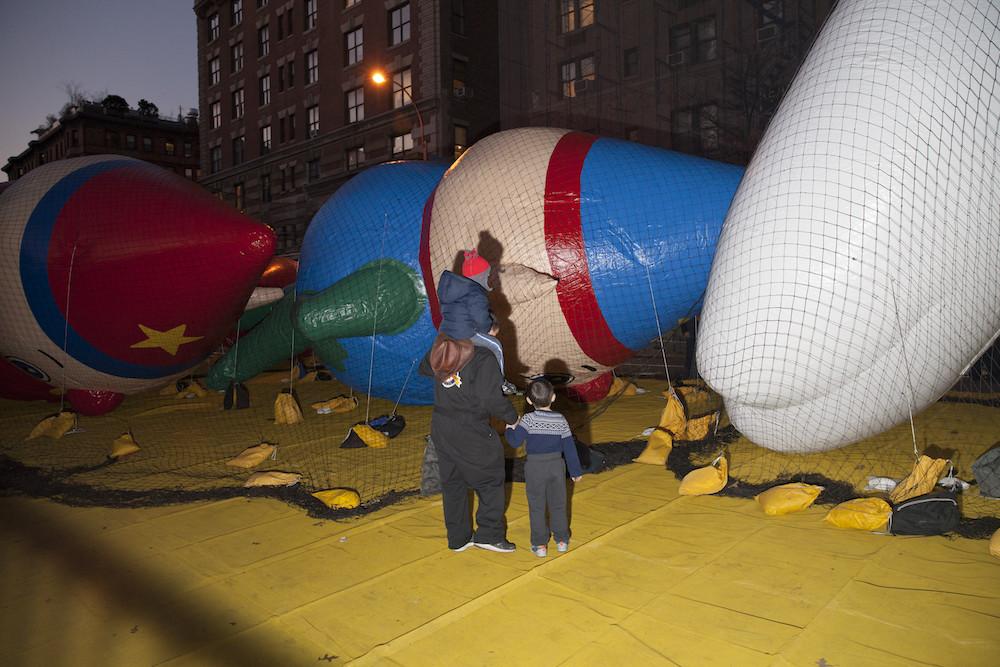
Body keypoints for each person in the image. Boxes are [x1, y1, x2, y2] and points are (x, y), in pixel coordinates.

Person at [420, 332, 519, 553]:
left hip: (442, 426)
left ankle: (458, 538)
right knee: (490, 479)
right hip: (471, 426)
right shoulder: (483, 356)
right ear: (489, 330)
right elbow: (491, 399)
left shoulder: (443, 347)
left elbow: (425, 367)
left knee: (453, 482)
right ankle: (489, 534)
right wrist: (512, 418)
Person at [505, 378, 583, 557]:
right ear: (553, 397)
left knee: (537, 506)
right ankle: (562, 540)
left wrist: (510, 428)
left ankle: (540, 545)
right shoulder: (560, 419)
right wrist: (576, 471)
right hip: (557, 466)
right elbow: (569, 447)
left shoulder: (528, 420)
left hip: (534, 467)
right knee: (558, 504)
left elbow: (515, 441)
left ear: (529, 401)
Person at [437, 248, 518, 395]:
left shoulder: (454, 287)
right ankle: (500, 383)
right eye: (486, 275)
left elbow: (468, 313)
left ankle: (451, 373)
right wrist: (490, 329)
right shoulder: (476, 293)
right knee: (496, 346)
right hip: (464, 333)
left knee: (489, 318)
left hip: (446, 329)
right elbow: (481, 321)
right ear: (480, 277)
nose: (488, 278)